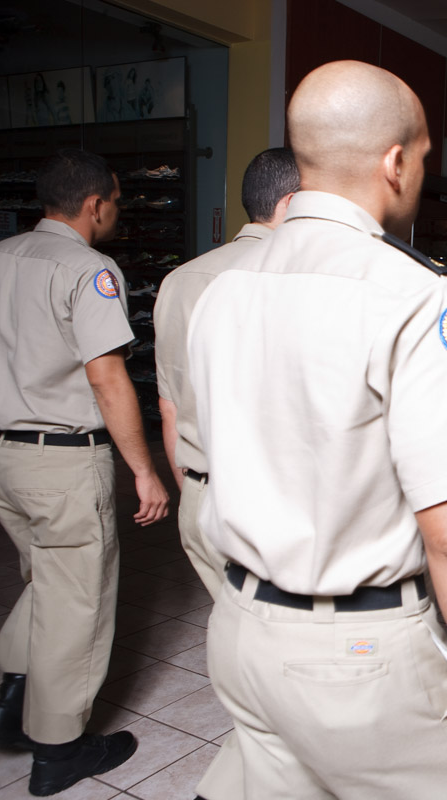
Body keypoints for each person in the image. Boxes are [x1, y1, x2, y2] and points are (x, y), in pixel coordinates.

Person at [188, 61, 447, 800]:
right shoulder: (415, 299)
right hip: (355, 660)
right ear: (396, 161)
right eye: (423, 157)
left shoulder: (221, 290)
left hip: (241, 631)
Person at [0, 149, 169, 796]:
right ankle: (59, 748)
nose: (117, 211)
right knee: (77, 600)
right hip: (60, 459)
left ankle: (13, 700)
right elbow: (107, 375)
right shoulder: (89, 269)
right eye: (117, 200)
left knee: (45, 576)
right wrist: (143, 470)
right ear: (96, 204)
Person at [155, 148, 300, 600]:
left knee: (235, 629)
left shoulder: (179, 280)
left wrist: (194, 493)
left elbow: (170, 406)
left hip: (200, 493)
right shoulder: (303, 277)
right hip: (274, 501)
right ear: (293, 203)